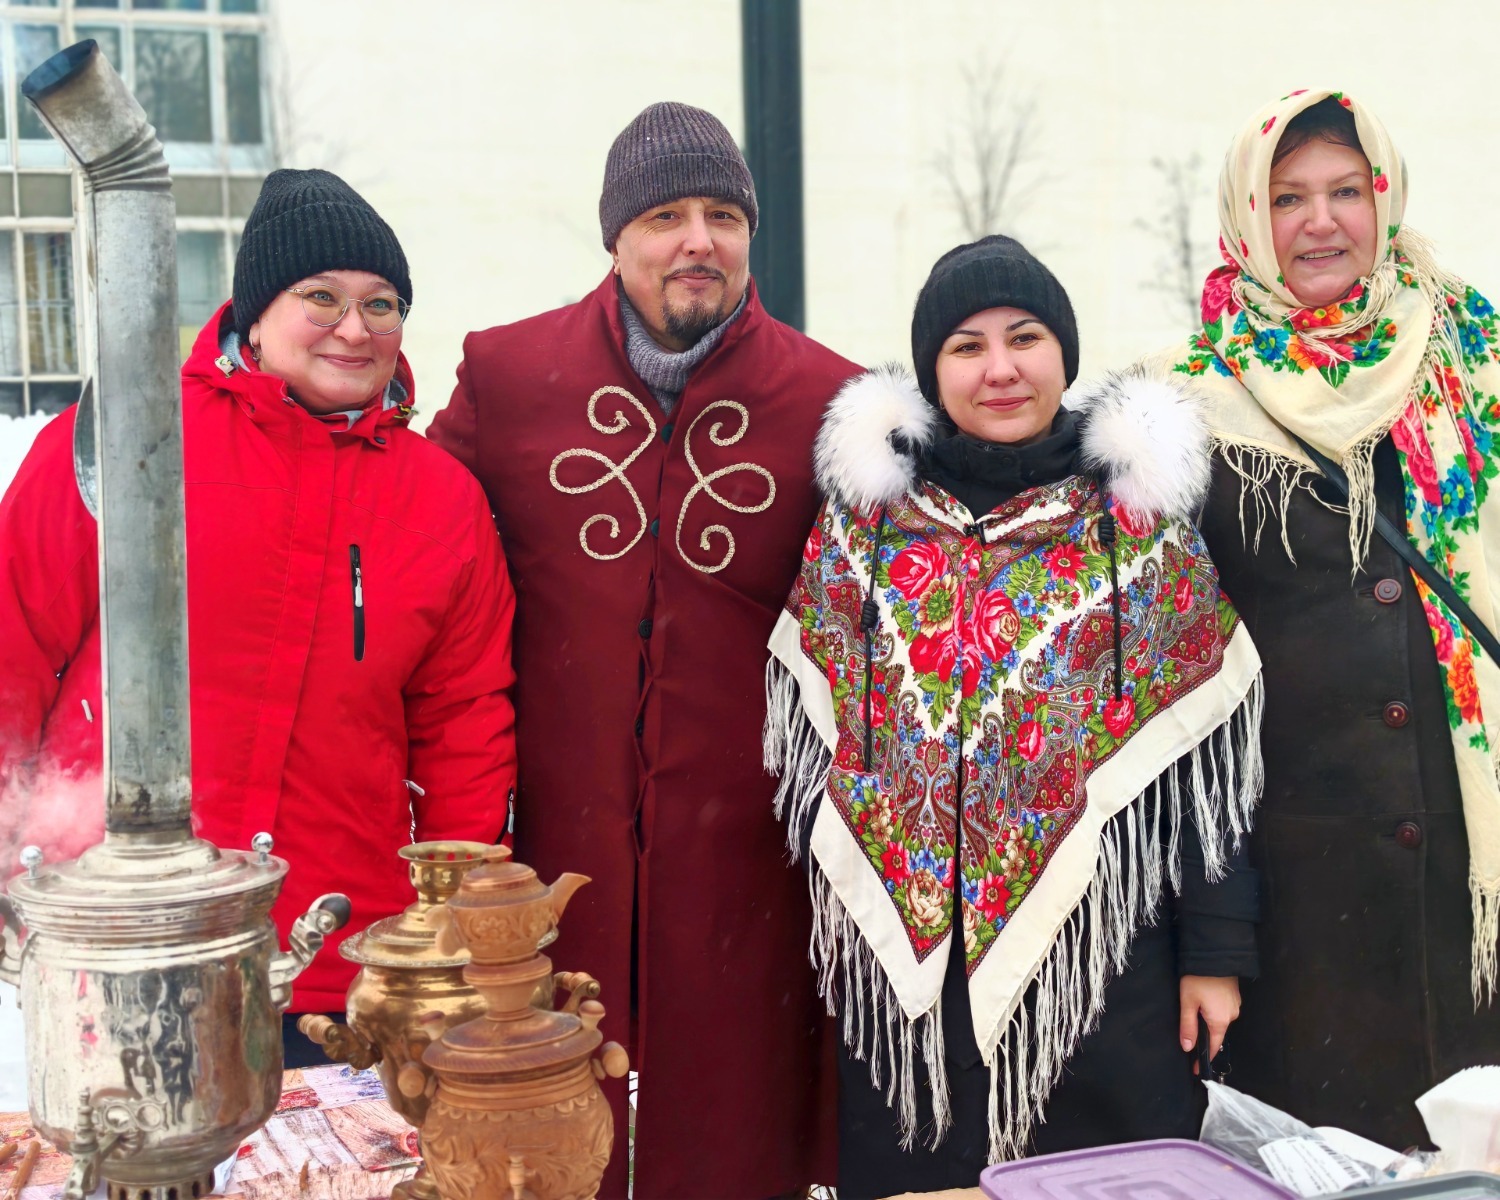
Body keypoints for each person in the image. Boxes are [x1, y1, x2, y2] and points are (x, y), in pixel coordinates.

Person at [765, 236, 1265, 1196]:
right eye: (967, 346)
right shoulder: (862, 527)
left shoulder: (1139, 526)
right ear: (931, 373)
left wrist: (1217, 954)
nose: (1000, 369)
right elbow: (814, 755)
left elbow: (1208, 771)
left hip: (1102, 968)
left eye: (1025, 337)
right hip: (909, 992)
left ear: (1063, 354)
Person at [427, 102, 859, 1198]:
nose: (697, 241)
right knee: (543, 1143)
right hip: (550, 856)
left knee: (730, 1148)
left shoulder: (830, 401)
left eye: (723, 215)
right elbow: (416, 560)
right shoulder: (508, 375)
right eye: (666, 216)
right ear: (617, 236)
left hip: (751, 869)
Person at [0, 169, 518, 1065]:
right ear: (256, 308)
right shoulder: (131, 440)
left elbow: (463, 727)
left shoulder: (442, 502)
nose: (354, 328)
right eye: (321, 297)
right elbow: (12, 647)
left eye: (382, 304)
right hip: (124, 942)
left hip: (336, 959)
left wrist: (454, 922)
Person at [1152, 88, 1500, 1146]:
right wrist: (1211, 933)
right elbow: (1175, 692)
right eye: (1288, 197)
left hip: (1473, 874)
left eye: (1347, 190)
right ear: (1247, 217)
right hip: (1303, 898)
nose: (1320, 222)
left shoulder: (1475, 363)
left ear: (1383, 199)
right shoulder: (1187, 409)